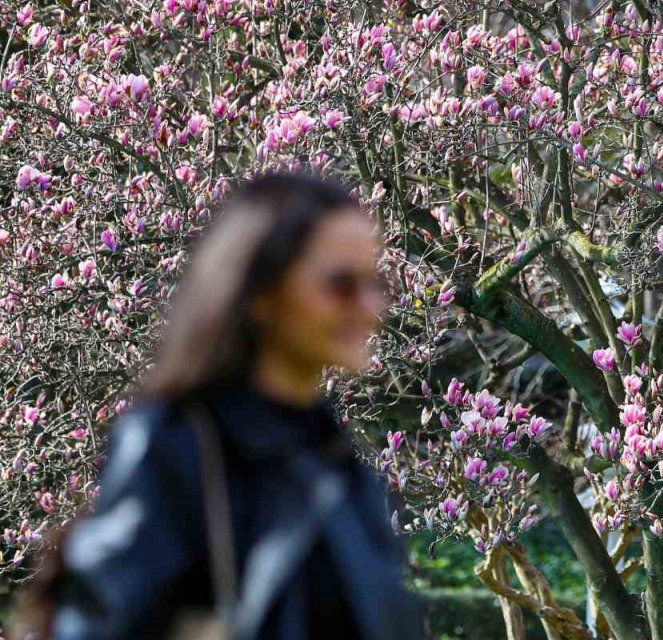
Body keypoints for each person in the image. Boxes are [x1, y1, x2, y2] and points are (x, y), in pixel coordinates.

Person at [23, 171, 422, 639]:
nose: (369, 307)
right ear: (261, 292)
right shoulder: (177, 445)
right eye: (341, 284)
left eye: (375, 282)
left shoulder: (333, 457)